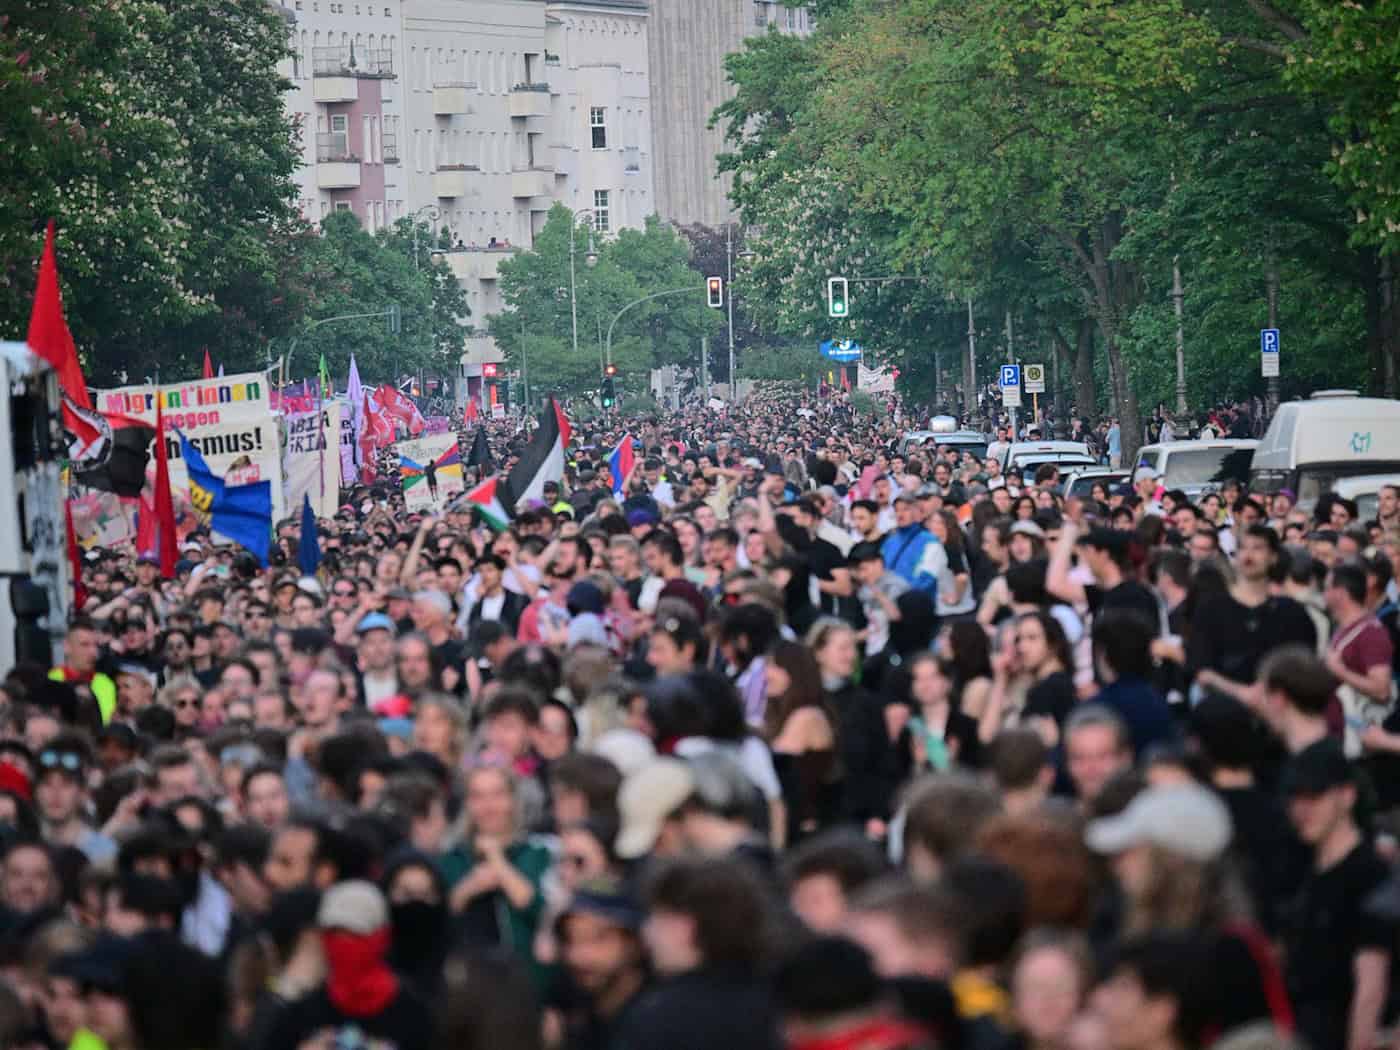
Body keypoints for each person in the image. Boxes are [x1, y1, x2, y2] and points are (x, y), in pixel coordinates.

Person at [1282, 741, 1393, 1050]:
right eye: (1295, 797)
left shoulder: (1370, 874)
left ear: (1346, 796)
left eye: (1314, 796)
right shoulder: (1301, 869)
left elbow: (1371, 985)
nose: (1301, 809)